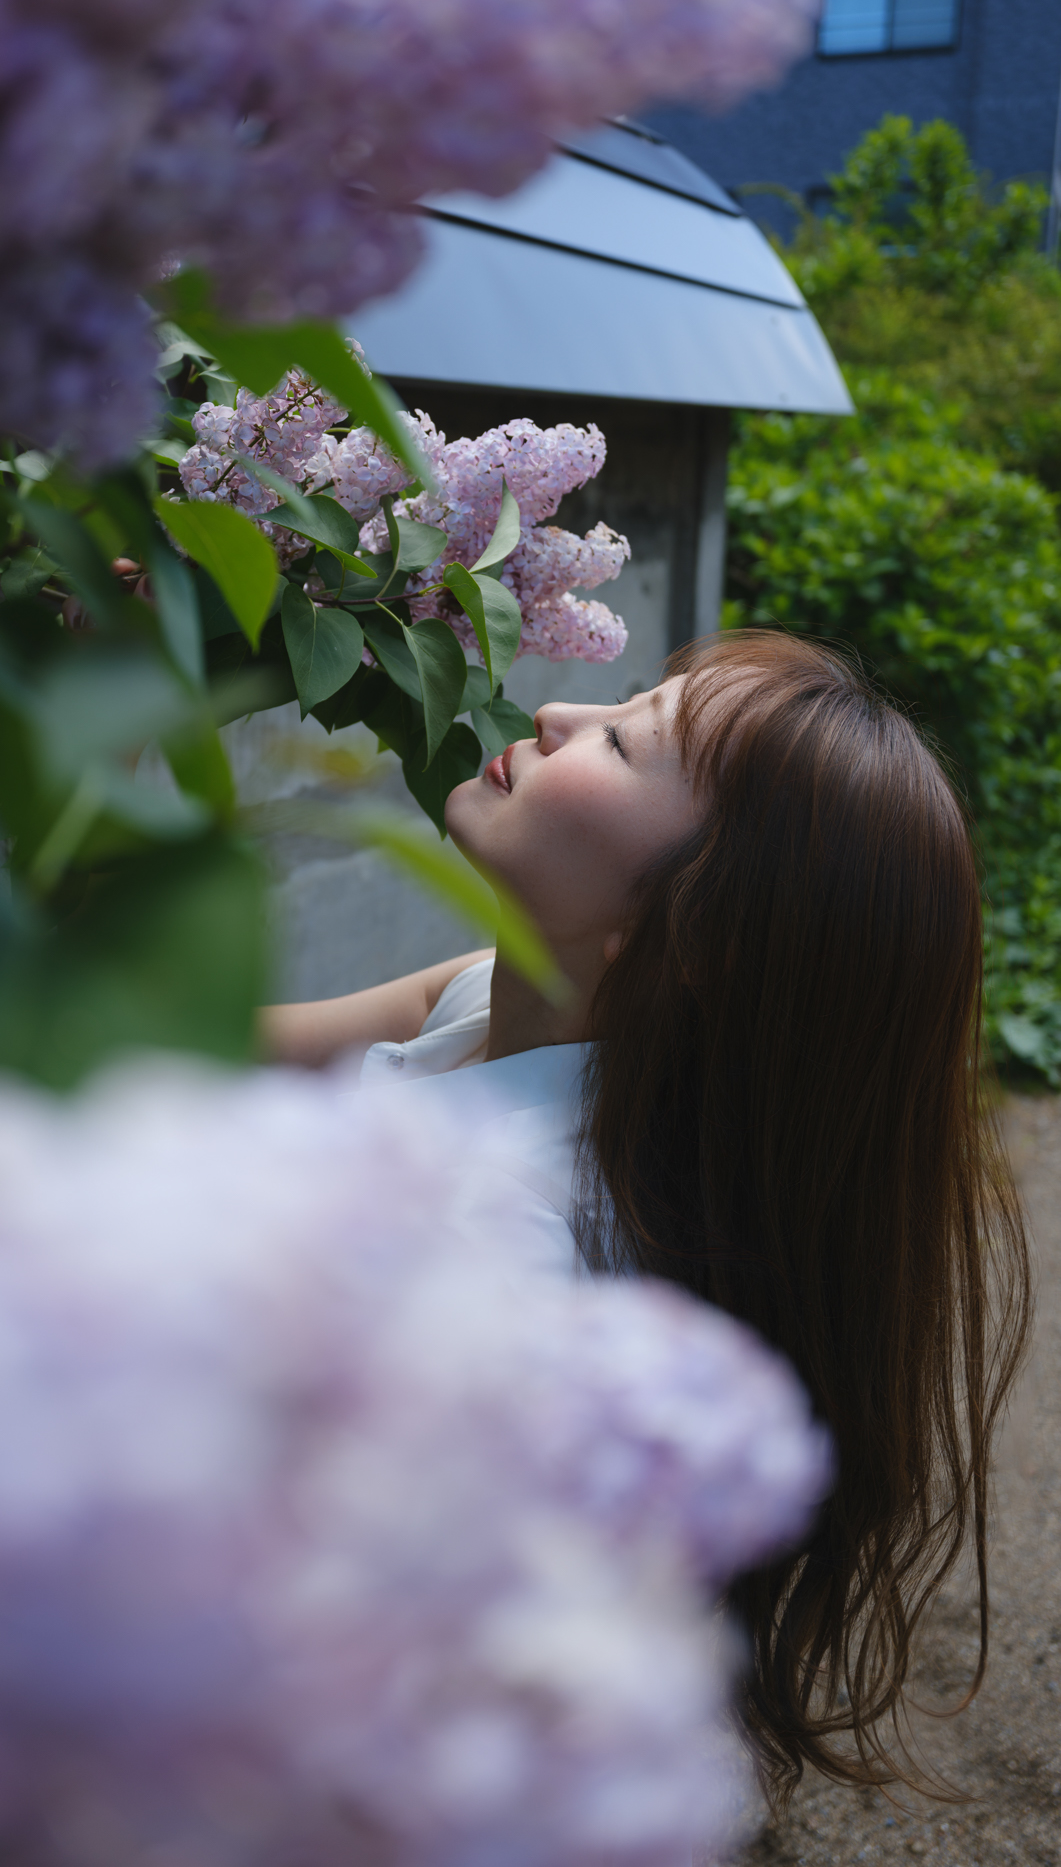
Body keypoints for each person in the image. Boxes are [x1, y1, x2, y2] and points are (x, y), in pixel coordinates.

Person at [262, 630, 1032, 1810]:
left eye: (624, 742)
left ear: (699, 937)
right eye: (625, 701)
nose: (562, 709)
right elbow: (246, 1045)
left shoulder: (501, 1250)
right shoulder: (498, 995)